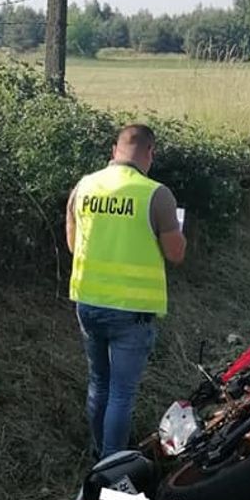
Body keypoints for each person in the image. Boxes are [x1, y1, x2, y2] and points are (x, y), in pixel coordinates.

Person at [65, 124, 187, 459]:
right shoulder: (156, 194)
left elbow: (73, 244)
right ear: (150, 153)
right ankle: (112, 464)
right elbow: (176, 254)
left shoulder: (84, 187)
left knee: (99, 383)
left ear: (114, 150)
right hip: (131, 311)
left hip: (87, 303)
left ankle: (98, 451)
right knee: (121, 392)